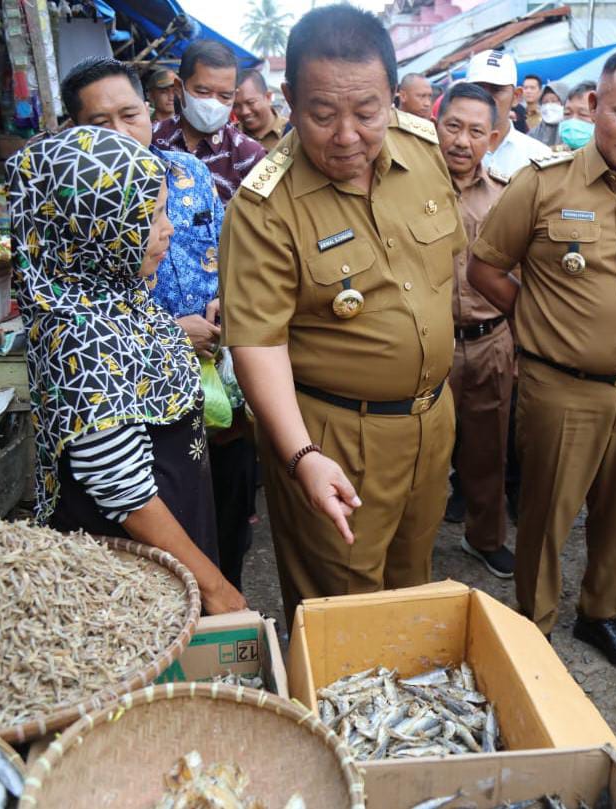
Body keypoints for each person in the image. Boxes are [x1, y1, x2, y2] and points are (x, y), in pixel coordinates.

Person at [219, 4, 465, 620]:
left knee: (413, 585)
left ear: (393, 96)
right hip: (333, 436)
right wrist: (301, 455)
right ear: (290, 99)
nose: (347, 135)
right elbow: (258, 343)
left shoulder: (424, 152)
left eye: (367, 112)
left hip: (430, 421)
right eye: (323, 115)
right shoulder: (265, 207)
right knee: (342, 604)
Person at [468, 49, 616, 672]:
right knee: (548, 514)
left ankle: (601, 613)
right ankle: (534, 629)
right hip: (562, 389)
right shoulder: (543, 184)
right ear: (596, 107)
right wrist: (536, 318)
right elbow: (485, 266)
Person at [7, 125, 245, 616]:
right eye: (151, 217)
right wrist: (216, 590)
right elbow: (126, 494)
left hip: (173, 544)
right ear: (94, 228)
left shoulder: (121, 296)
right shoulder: (82, 334)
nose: (168, 229)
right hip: (134, 569)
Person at [56, 58, 266, 591]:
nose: (122, 132)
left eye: (130, 114)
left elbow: (229, 253)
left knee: (220, 514)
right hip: (140, 407)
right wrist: (173, 331)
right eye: (100, 124)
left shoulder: (187, 174)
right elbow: (86, 315)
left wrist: (224, 303)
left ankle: (223, 611)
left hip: (213, 385)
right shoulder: (73, 207)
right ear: (71, 130)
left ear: (152, 108)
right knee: (157, 542)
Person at [434, 81, 515, 579]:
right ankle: (412, 546)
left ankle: (484, 537)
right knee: (421, 456)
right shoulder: (409, 188)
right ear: (436, 127)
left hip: (490, 340)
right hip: (429, 344)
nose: (462, 141)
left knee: (488, 450)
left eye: (476, 131)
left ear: (494, 137)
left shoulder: (506, 196)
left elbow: (522, 272)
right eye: (453, 126)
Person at [153, 40, 267, 204]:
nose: (213, 104)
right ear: (179, 88)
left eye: (225, 96)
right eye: (203, 92)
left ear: (234, 95)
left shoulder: (250, 156)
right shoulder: (151, 140)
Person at [466, 51, 551, 177]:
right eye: (477, 90)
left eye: (496, 90)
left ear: (516, 96)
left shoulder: (539, 156)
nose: (486, 98)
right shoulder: (450, 154)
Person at [234, 68, 291, 151]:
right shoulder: (230, 136)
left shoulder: (293, 133)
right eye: (236, 106)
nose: (244, 111)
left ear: (268, 97)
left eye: (250, 102)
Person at [557, 81, 596, 151]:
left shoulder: (613, 159)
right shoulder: (556, 158)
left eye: (583, 114)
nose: (573, 120)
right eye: (567, 113)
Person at [528, 83, 565, 148]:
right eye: (545, 102)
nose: (549, 106)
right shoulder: (533, 134)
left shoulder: (571, 131)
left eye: (554, 101)